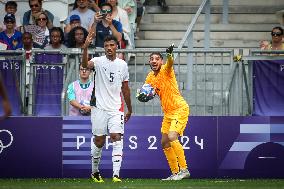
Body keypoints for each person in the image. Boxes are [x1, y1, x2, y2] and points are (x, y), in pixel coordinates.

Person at [82, 33, 132, 182]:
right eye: (106, 46)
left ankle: (116, 175)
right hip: (99, 108)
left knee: (117, 137)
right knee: (99, 140)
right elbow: (85, 65)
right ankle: (95, 172)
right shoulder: (97, 61)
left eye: (112, 45)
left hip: (116, 108)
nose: (109, 48)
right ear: (103, 48)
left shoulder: (122, 64)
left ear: (117, 47)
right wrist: (85, 47)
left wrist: (130, 108)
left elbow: (125, 88)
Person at [137, 44, 190, 181]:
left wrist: (169, 55)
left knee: (172, 137)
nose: (154, 61)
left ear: (161, 61)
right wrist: (142, 95)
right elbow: (147, 91)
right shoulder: (150, 76)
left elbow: (170, 63)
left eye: (157, 59)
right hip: (168, 113)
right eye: (151, 59)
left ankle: (184, 170)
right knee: (165, 142)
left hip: (179, 109)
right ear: (149, 62)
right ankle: (175, 172)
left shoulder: (166, 70)